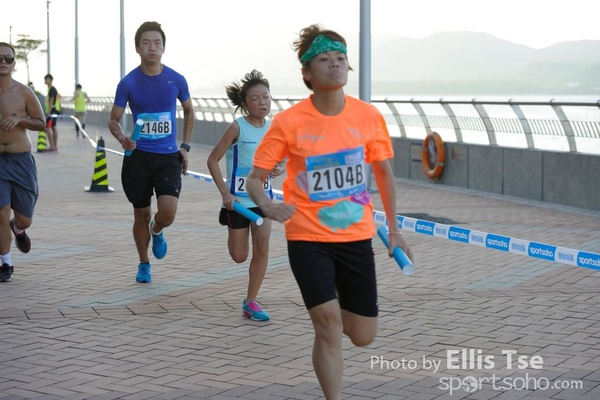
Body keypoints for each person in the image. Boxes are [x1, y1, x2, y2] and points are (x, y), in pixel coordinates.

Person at [245, 25, 414, 400]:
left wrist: (395, 230)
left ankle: (336, 294)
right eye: (324, 59)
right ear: (307, 72)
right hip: (307, 237)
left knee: (363, 335)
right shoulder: (289, 122)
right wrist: (268, 205)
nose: (335, 64)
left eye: (340, 58)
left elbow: (383, 173)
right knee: (328, 325)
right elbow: (256, 179)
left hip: (356, 237)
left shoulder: (367, 116)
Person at [108, 21, 195, 284]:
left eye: (157, 43)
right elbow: (113, 119)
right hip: (138, 157)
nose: (152, 48)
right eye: (146, 43)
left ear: (164, 47)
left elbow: (189, 111)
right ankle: (144, 263)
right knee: (141, 215)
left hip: (168, 156)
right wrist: (122, 138)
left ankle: (157, 230)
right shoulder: (128, 82)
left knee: (167, 213)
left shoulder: (176, 79)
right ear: (137, 48)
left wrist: (185, 147)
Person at [206, 70, 285, 322]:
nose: (262, 102)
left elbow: (280, 160)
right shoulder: (237, 127)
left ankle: (250, 301)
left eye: (266, 97)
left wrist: (279, 168)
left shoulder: (274, 129)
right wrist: (225, 193)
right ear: (244, 103)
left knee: (262, 247)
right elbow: (212, 160)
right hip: (238, 203)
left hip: (263, 200)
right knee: (239, 256)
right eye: (255, 98)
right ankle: (232, 233)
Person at [0, 42, 46, 282]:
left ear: (14, 63)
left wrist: (19, 119)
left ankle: (18, 229)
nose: (3, 62)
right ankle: (6, 263)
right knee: (1, 213)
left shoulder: (23, 92)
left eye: (8, 58)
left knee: (25, 216)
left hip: (21, 161)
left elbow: (41, 123)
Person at [43, 74, 60, 152]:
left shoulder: (52, 89)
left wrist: (49, 112)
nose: (45, 81)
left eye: (46, 79)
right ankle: (54, 146)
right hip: (53, 111)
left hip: (52, 111)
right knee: (53, 127)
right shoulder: (50, 89)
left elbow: (51, 101)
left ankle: (52, 146)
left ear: (50, 80)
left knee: (47, 127)